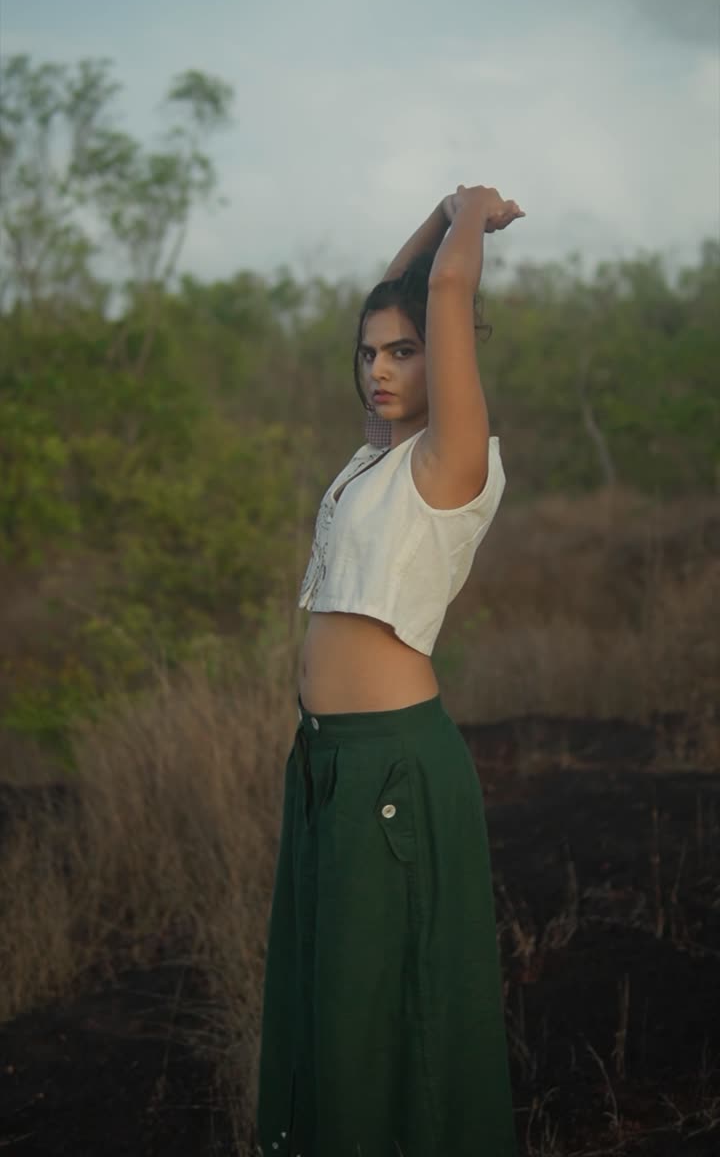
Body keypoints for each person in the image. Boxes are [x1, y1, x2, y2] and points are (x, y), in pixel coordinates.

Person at [255, 184, 526, 1157]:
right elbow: (404, 288)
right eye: (368, 353)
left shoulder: (449, 462)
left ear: (444, 360)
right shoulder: (377, 456)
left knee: (393, 1024)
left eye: (402, 351)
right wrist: (431, 223)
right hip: (329, 765)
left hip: (395, 775)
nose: (378, 368)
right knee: (333, 1015)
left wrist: (472, 212)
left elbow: (444, 290)